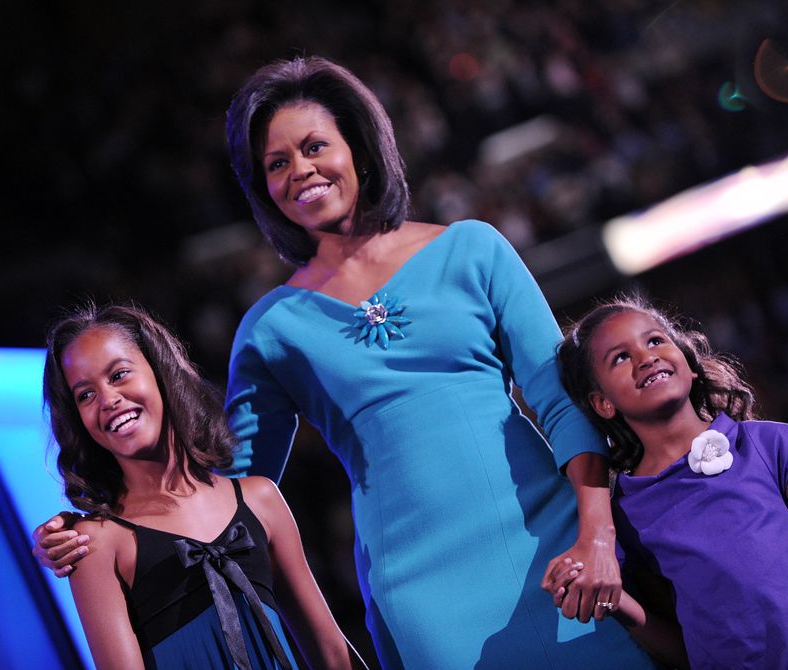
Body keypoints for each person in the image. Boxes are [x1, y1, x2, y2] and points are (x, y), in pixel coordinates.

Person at [34, 56, 655, 669]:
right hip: (419, 588)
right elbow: (227, 492)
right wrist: (90, 524)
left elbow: (561, 400)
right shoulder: (272, 330)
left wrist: (596, 532)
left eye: (313, 147)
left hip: (556, 543)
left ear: (359, 145)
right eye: (277, 164)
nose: (299, 171)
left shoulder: (474, 248)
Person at [549, 294, 788, 669]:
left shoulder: (766, 445)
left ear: (688, 364)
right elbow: (683, 649)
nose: (646, 357)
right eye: (620, 358)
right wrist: (617, 603)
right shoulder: (623, 512)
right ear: (603, 403)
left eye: (655, 340)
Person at [42, 303, 355, 669]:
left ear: (161, 372)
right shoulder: (96, 543)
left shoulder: (260, 498)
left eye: (119, 375)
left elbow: (332, 653)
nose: (108, 399)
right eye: (85, 394)